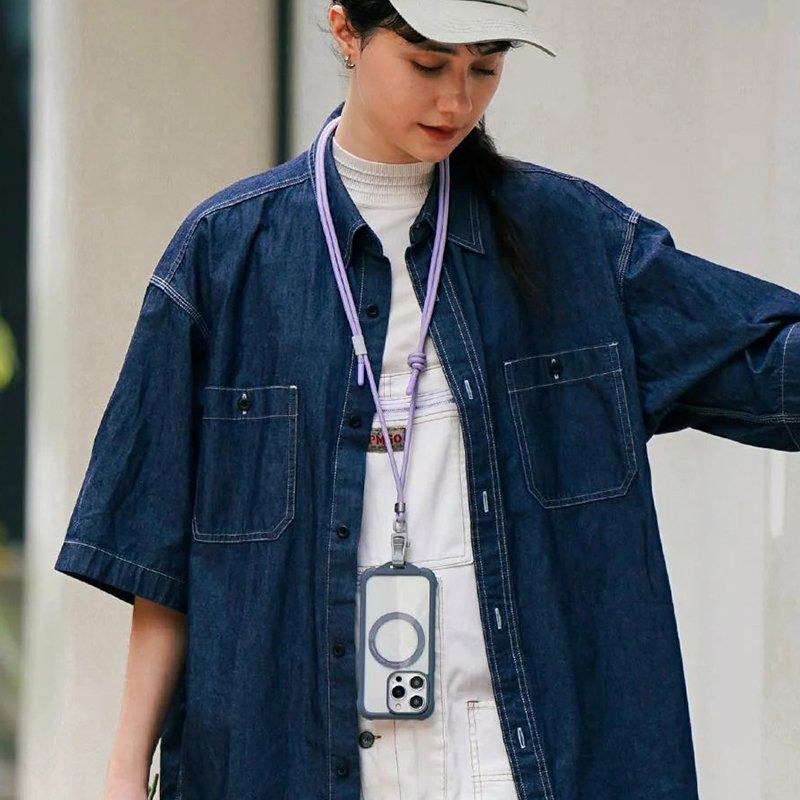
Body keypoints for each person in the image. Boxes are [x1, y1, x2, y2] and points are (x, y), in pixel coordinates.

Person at [53, 1, 800, 799]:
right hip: (296, 758)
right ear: (347, 31)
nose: (457, 99)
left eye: (485, 65)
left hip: (519, 759)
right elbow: (160, 560)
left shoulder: (572, 240)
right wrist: (124, 771)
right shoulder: (224, 257)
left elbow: (764, 360)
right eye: (428, 62)